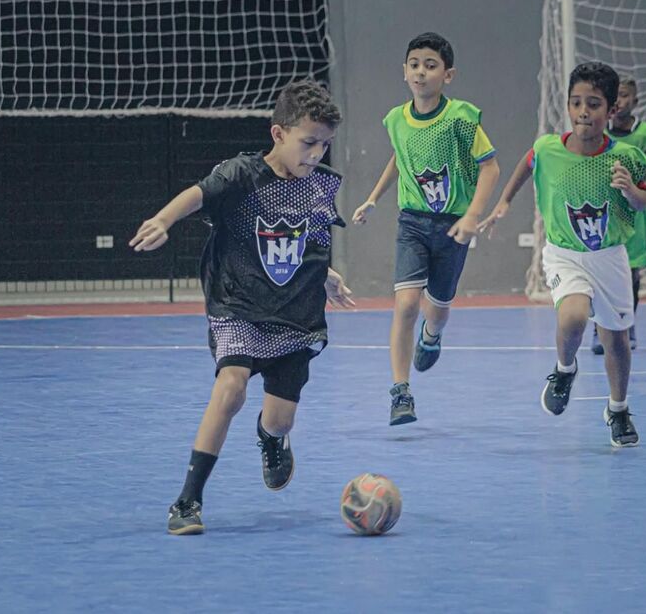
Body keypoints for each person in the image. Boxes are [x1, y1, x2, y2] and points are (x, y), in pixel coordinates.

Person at [129, 80, 355, 535]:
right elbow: (197, 193)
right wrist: (163, 219)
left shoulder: (320, 188)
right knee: (230, 388)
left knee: (280, 418)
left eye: (324, 145)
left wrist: (326, 276)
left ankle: (271, 438)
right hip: (237, 303)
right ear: (278, 134)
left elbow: (308, 243)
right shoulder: (243, 175)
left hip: (295, 313)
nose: (316, 153)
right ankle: (188, 501)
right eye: (308, 142)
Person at [479, 62, 646, 448]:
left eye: (593, 104)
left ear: (611, 110)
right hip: (564, 254)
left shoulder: (628, 156)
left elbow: (642, 202)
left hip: (609, 257)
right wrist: (504, 202)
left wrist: (629, 191)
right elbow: (526, 164)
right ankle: (564, 369)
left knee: (616, 341)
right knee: (572, 316)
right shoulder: (548, 148)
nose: (583, 112)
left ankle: (618, 409)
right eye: (576, 103)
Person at [351, 32, 500, 426]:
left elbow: (490, 167)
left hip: (453, 226)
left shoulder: (461, 118)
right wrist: (372, 198)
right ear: (404, 72)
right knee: (405, 305)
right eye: (414, 64)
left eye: (430, 65)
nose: (421, 71)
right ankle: (401, 393)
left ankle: (432, 336)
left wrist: (472, 217)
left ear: (447, 75)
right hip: (412, 222)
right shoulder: (396, 120)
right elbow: (398, 161)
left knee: (437, 309)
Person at [590, 74, 646, 354]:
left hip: (632, 211)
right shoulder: (596, 131)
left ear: (636, 100)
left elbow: (643, 176)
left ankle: (626, 324)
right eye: (616, 95)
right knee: (598, 274)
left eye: (625, 95)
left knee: (631, 274)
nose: (620, 101)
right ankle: (598, 330)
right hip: (602, 213)